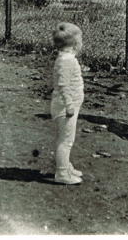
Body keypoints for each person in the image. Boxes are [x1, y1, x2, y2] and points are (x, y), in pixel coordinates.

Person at [51, 23, 85, 185]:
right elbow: (63, 85)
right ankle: (62, 173)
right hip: (66, 107)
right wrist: (69, 105)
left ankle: (66, 165)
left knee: (65, 138)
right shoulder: (67, 61)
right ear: (75, 45)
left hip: (68, 104)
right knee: (66, 140)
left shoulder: (65, 59)